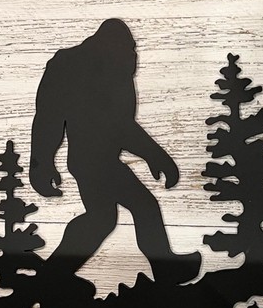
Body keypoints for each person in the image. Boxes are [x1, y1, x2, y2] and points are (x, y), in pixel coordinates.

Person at [30, 18, 201, 285]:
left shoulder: (108, 67)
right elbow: (50, 118)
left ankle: (52, 276)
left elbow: (121, 126)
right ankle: (165, 269)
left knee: (102, 219)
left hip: (95, 160)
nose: (134, 57)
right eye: (130, 49)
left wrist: (154, 155)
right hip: (94, 161)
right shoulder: (82, 65)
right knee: (142, 207)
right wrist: (41, 163)